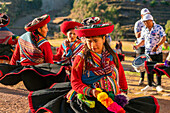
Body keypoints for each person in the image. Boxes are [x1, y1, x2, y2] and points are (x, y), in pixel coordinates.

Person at [28, 20, 160, 113]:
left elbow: (120, 76)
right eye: (89, 41)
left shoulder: (112, 56)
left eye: (95, 41)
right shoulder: (81, 58)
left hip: (112, 98)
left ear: (104, 38)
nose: (92, 45)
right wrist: (93, 92)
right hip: (89, 100)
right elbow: (75, 83)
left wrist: (123, 94)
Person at [134, 14, 166, 92]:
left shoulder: (158, 28)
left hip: (157, 52)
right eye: (144, 22)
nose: (145, 24)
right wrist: (137, 46)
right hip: (148, 53)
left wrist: (157, 46)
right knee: (149, 69)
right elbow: (143, 40)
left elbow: (164, 37)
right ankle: (149, 85)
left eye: (146, 22)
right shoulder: (144, 29)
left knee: (158, 69)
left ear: (151, 21)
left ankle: (159, 85)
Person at [134, 8, 151, 85]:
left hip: (149, 45)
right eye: (146, 14)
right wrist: (145, 29)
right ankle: (142, 78)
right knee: (142, 63)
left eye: (148, 14)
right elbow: (137, 35)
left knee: (150, 63)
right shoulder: (138, 23)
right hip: (141, 45)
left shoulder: (152, 22)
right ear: (142, 15)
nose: (148, 16)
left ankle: (151, 81)